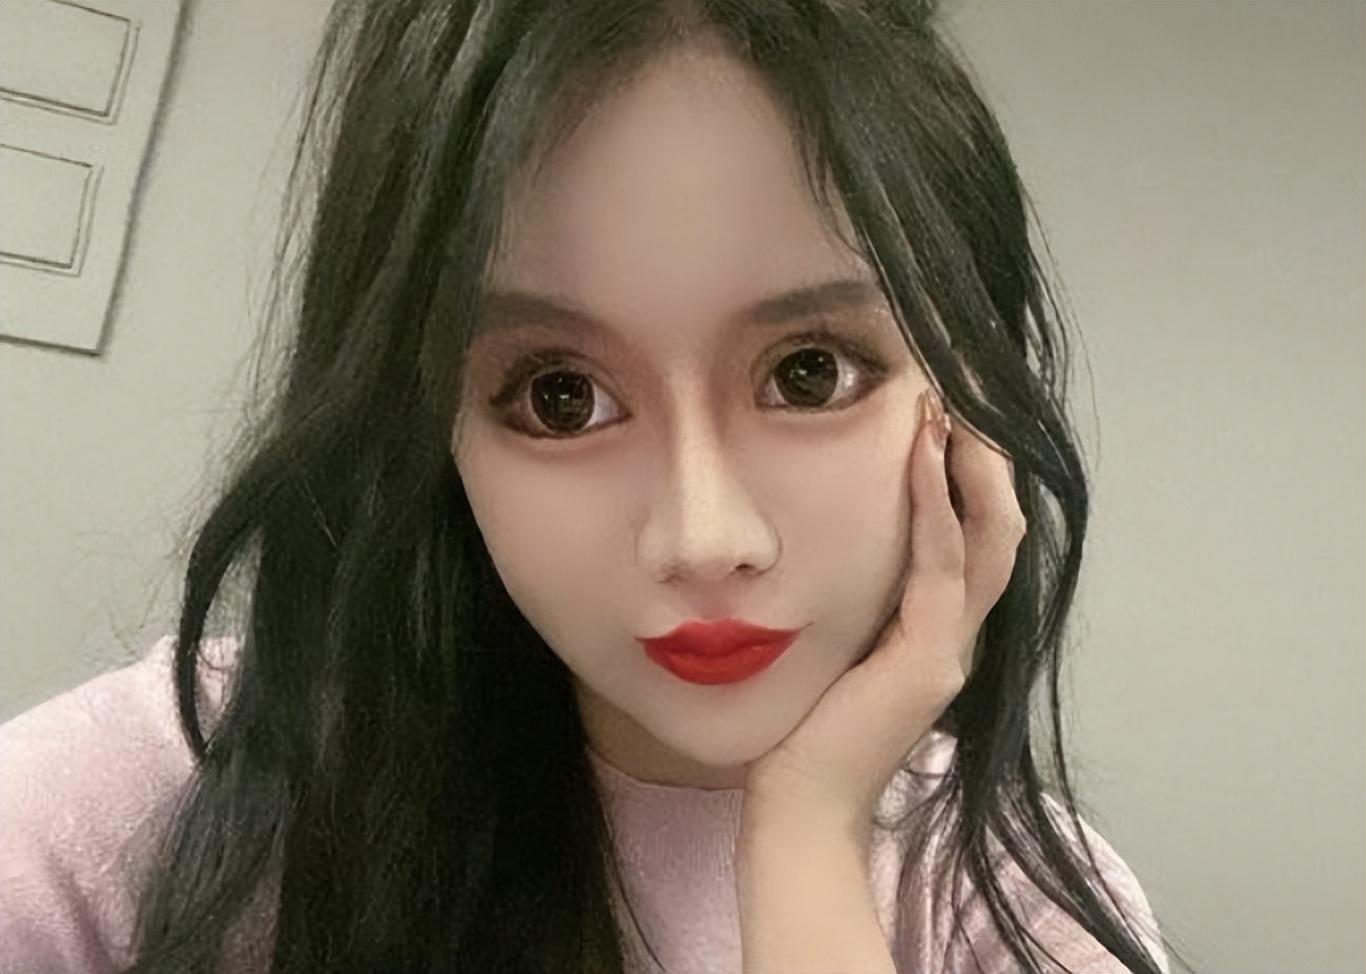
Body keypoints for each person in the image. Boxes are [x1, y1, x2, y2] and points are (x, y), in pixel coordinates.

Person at [0, 1, 1195, 971]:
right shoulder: (178, 790)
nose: (702, 536)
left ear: (970, 397)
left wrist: (809, 836)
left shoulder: (1009, 906)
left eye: (810, 373)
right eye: (559, 396)